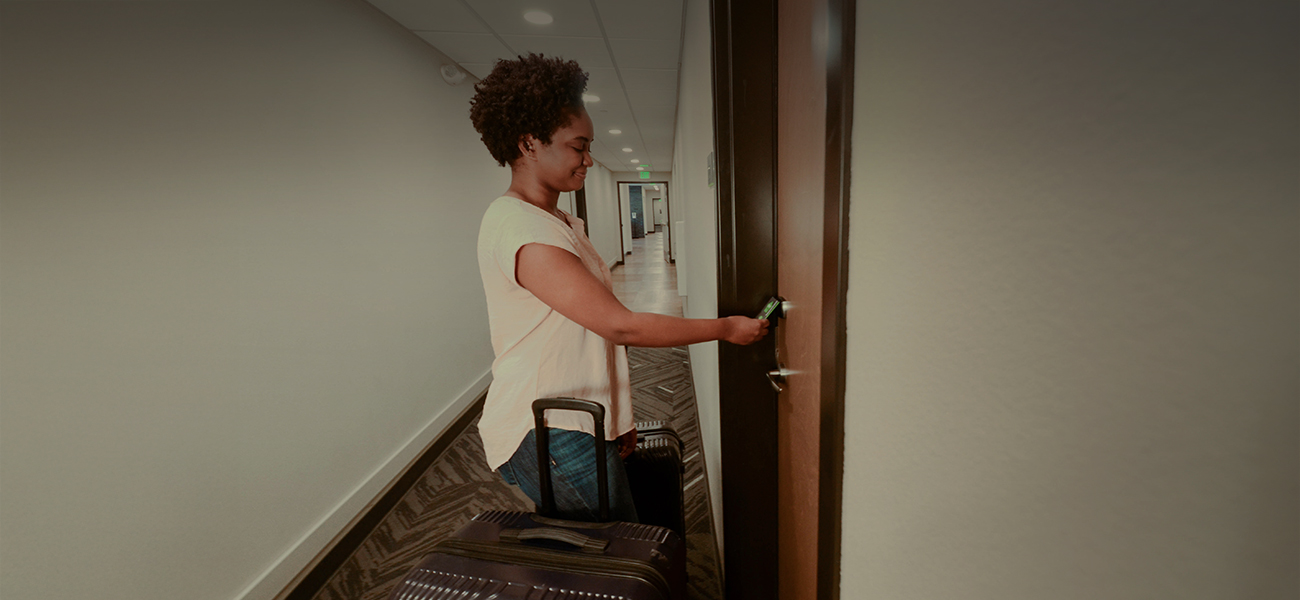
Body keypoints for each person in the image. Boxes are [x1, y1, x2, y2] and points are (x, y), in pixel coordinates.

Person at [469, 53, 768, 523]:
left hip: (579, 417)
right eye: (578, 146)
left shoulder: (558, 219)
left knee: (614, 548)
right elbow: (620, 325)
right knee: (616, 554)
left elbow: (592, 333)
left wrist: (617, 416)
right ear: (529, 143)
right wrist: (726, 327)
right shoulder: (520, 227)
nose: (588, 159)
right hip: (549, 428)